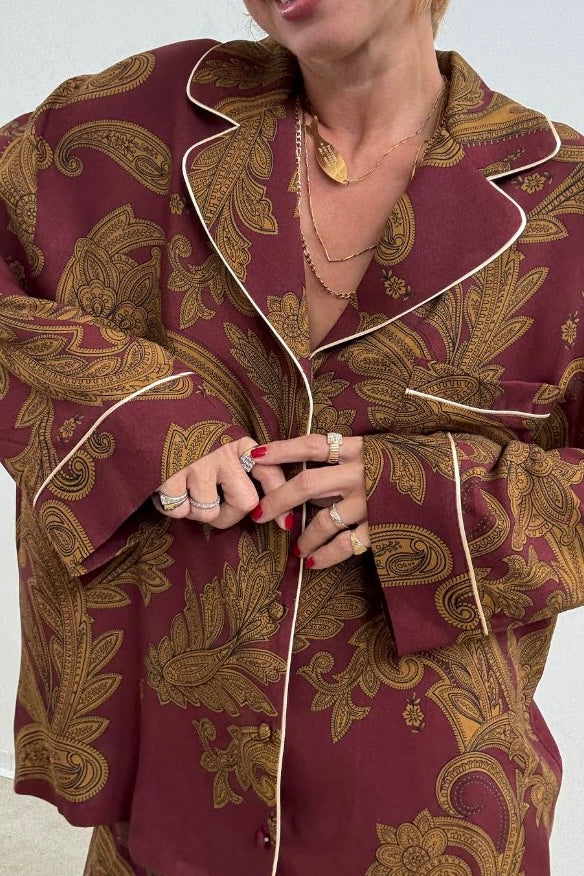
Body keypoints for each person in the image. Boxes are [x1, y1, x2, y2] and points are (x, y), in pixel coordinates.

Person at [0, 0, 583, 872]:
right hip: (168, 816)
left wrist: (430, 497)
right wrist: (138, 408)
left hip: (430, 817)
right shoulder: (144, 121)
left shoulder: (568, 201)